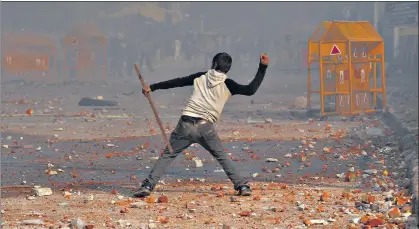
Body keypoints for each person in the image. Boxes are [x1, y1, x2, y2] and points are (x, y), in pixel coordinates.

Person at [133, 52, 269, 198]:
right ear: (227, 69)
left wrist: (152, 87)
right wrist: (263, 67)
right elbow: (250, 90)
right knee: (222, 156)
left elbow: (177, 82)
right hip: (205, 127)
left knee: (167, 155)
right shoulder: (229, 84)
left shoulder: (200, 76)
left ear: (214, 64)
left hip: (185, 124)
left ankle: (147, 186)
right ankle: (242, 186)